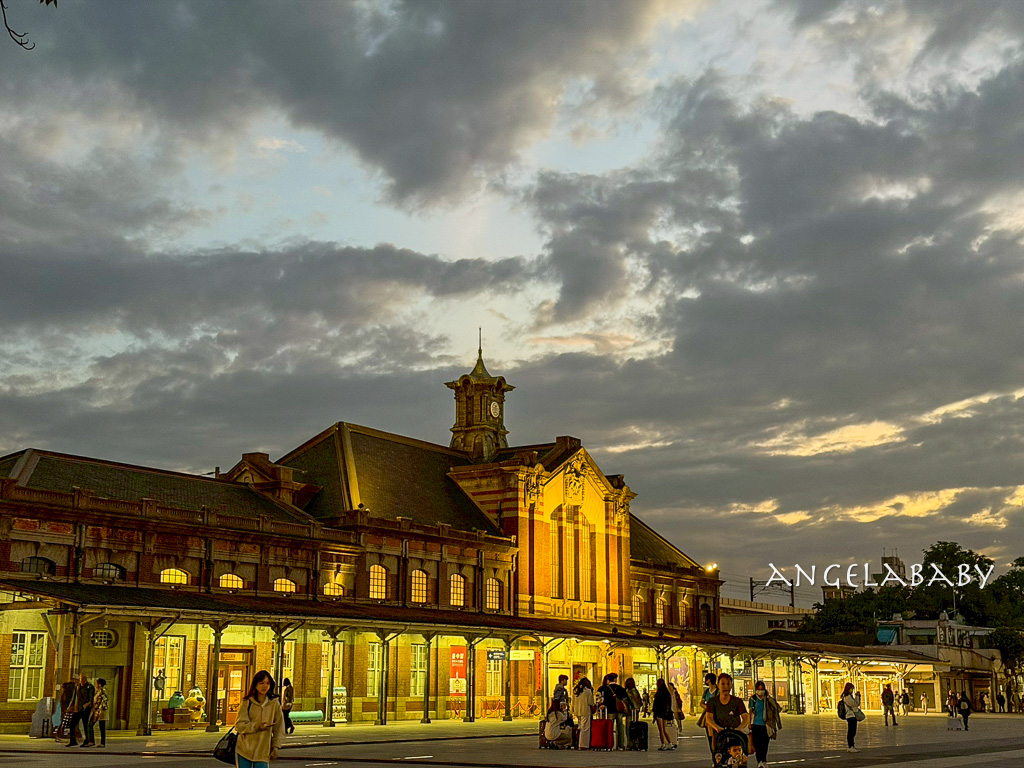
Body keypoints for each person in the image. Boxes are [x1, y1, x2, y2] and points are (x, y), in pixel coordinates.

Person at [234, 670, 285, 768]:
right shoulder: (247, 702)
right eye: (261, 683)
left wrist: (276, 747)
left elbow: (279, 727)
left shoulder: (274, 704)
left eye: (267, 683)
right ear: (255, 685)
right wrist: (256, 726)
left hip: (263, 750)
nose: (264, 686)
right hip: (244, 749)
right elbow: (239, 725)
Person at [705, 672, 749, 760]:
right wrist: (717, 728)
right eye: (723, 684)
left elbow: (746, 717)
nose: (726, 687)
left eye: (728, 684)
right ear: (718, 685)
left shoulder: (737, 701)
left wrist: (740, 728)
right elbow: (709, 718)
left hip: (734, 735)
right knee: (719, 759)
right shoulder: (712, 702)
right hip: (719, 736)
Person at [747, 680, 781, 768]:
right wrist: (749, 723)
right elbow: (750, 712)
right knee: (757, 744)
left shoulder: (767, 699)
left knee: (765, 744)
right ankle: (759, 761)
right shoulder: (753, 699)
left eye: (762, 689)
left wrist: (769, 697)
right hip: (756, 725)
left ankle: (764, 760)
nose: (760, 692)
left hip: (766, 725)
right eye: (758, 689)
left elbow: (776, 707)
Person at [597, 673, 628, 751]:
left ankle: (609, 744)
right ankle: (620, 745)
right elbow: (625, 698)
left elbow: (599, 699)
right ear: (615, 679)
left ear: (608, 680)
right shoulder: (621, 688)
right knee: (620, 727)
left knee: (609, 728)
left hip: (609, 711)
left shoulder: (603, 688)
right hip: (619, 711)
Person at [66, 674, 95, 747]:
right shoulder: (77, 686)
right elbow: (74, 697)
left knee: (86, 725)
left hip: (85, 709)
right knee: (72, 725)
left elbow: (91, 699)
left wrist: (87, 705)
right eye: (80, 679)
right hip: (77, 709)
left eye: (82, 679)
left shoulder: (90, 687)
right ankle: (73, 741)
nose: (81, 680)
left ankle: (88, 740)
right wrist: (70, 707)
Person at [700, 672, 719, 759]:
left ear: (709, 680)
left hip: (717, 717)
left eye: (706, 679)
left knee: (718, 738)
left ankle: (718, 755)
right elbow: (701, 703)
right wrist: (707, 708)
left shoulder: (718, 691)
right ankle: (713, 756)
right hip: (708, 716)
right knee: (710, 737)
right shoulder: (706, 691)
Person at [572, 676, 595, 750]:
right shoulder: (588, 691)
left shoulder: (575, 691)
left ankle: (577, 742)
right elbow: (590, 702)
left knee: (580, 727)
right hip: (585, 711)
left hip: (577, 711)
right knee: (585, 728)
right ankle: (583, 745)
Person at [652, 678, 674, 751]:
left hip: (659, 713)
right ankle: (670, 744)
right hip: (665, 713)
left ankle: (663, 744)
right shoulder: (667, 693)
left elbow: (655, 705)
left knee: (661, 730)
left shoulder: (658, 694)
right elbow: (669, 704)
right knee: (664, 730)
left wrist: (654, 715)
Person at [841, 682, 862, 753]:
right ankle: (850, 746)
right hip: (850, 715)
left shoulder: (848, 696)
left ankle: (852, 746)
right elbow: (855, 704)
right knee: (851, 731)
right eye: (851, 689)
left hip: (851, 715)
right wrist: (857, 697)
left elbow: (856, 704)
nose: (852, 690)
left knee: (852, 731)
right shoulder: (847, 697)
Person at [91, 678, 108, 748]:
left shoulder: (102, 691)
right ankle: (100, 742)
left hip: (100, 712)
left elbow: (102, 701)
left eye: (97, 683)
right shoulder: (99, 691)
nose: (96, 684)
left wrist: (96, 708)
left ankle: (102, 742)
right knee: (100, 727)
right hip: (99, 711)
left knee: (101, 727)